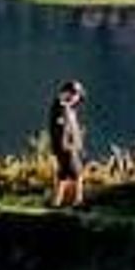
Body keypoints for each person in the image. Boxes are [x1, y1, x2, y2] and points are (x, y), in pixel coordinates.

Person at [47, 80, 86, 209]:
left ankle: (56, 202)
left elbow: (71, 129)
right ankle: (77, 202)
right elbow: (60, 130)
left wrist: (78, 143)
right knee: (77, 174)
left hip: (66, 147)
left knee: (63, 175)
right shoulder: (61, 108)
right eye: (76, 95)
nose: (77, 99)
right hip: (66, 147)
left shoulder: (66, 107)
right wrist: (66, 145)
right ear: (67, 93)